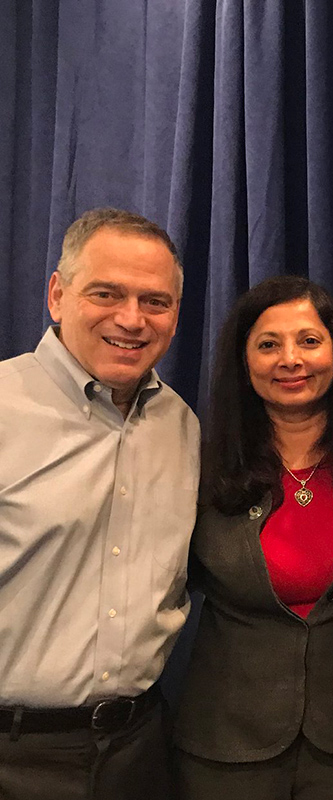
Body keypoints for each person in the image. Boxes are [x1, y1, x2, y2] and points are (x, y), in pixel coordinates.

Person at [0, 207, 199, 798]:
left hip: (140, 751)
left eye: (155, 301)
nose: (131, 319)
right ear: (57, 296)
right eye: (106, 293)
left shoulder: (182, 426)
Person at [171, 276, 333, 798]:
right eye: (268, 345)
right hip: (225, 749)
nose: (290, 359)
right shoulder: (198, 464)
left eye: (309, 341)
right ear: (244, 362)